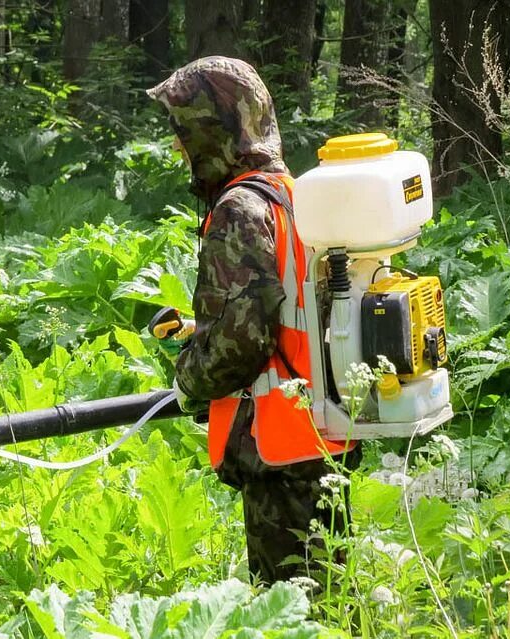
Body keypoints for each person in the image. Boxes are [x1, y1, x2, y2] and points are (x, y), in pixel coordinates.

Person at [147, 56, 356, 584]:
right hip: (326, 430)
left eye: (185, 131)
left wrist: (189, 375)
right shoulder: (292, 193)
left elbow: (241, 346)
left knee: (290, 607)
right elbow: (288, 309)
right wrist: (204, 331)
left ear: (213, 129)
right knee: (329, 595)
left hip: (280, 444)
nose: (178, 146)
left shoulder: (241, 209)